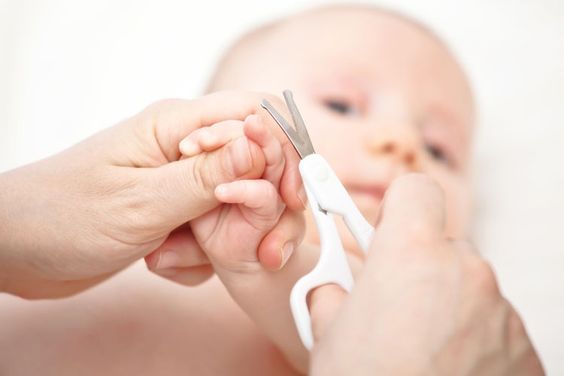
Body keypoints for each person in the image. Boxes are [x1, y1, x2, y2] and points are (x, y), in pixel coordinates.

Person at [0, 4, 543, 375]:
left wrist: (257, 267)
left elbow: (350, 329)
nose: (401, 142)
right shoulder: (101, 227)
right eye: (341, 105)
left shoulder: (401, 307)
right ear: (211, 116)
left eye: (440, 149)